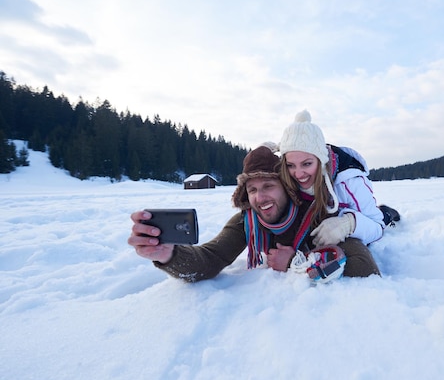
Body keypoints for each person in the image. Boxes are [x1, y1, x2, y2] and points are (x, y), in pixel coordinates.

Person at [128, 144, 380, 283]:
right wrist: (168, 255)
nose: (260, 198)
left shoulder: (319, 213)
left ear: (287, 188)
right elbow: (209, 259)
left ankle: (386, 214)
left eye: (269, 186)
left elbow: (364, 266)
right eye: (252, 190)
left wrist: (297, 263)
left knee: (381, 216)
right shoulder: (247, 221)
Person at [278, 110, 400, 247]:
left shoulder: (350, 181)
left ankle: (387, 212)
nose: (299, 174)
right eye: (291, 165)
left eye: (307, 164)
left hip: (370, 216)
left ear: (321, 161)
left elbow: (377, 226)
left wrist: (348, 224)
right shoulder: (285, 178)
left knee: (381, 217)